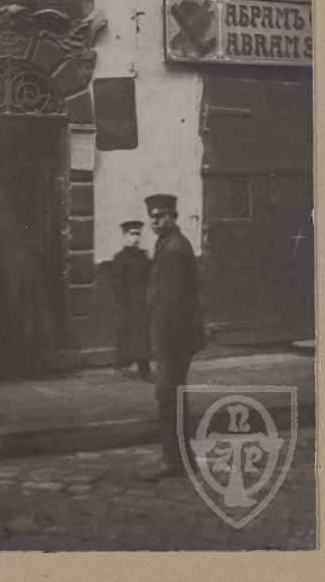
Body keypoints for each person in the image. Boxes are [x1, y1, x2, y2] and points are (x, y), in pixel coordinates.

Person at [141, 194, 207, 480]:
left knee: (168, 398)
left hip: (172, 339)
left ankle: (172, 460)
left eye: (161, 216)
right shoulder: (169, 243)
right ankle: (185, 459)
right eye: (152, 217)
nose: (155, 221)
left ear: (173, 216)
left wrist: (167, 345)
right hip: (174, 337)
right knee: (176, 397)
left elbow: (173, 303)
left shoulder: (173, 250)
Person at [0, 183, 59, 378]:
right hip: (22, 268)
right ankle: (32, 364)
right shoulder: (6, 215)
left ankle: (23, 364)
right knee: (28, 314)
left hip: (11, 272)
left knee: (18, 314)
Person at [110, 221, 153, 381]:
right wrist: (125, 300)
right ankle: (125, 364)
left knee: (143, 338)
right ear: (125, 236)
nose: (136, 237)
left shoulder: (144, 257)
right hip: (128, 306)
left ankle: (144, 370)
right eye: (132, 234)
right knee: (128, 337)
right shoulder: (120, 258)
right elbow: (117, 283)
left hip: (143, 304)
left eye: (138, 233)